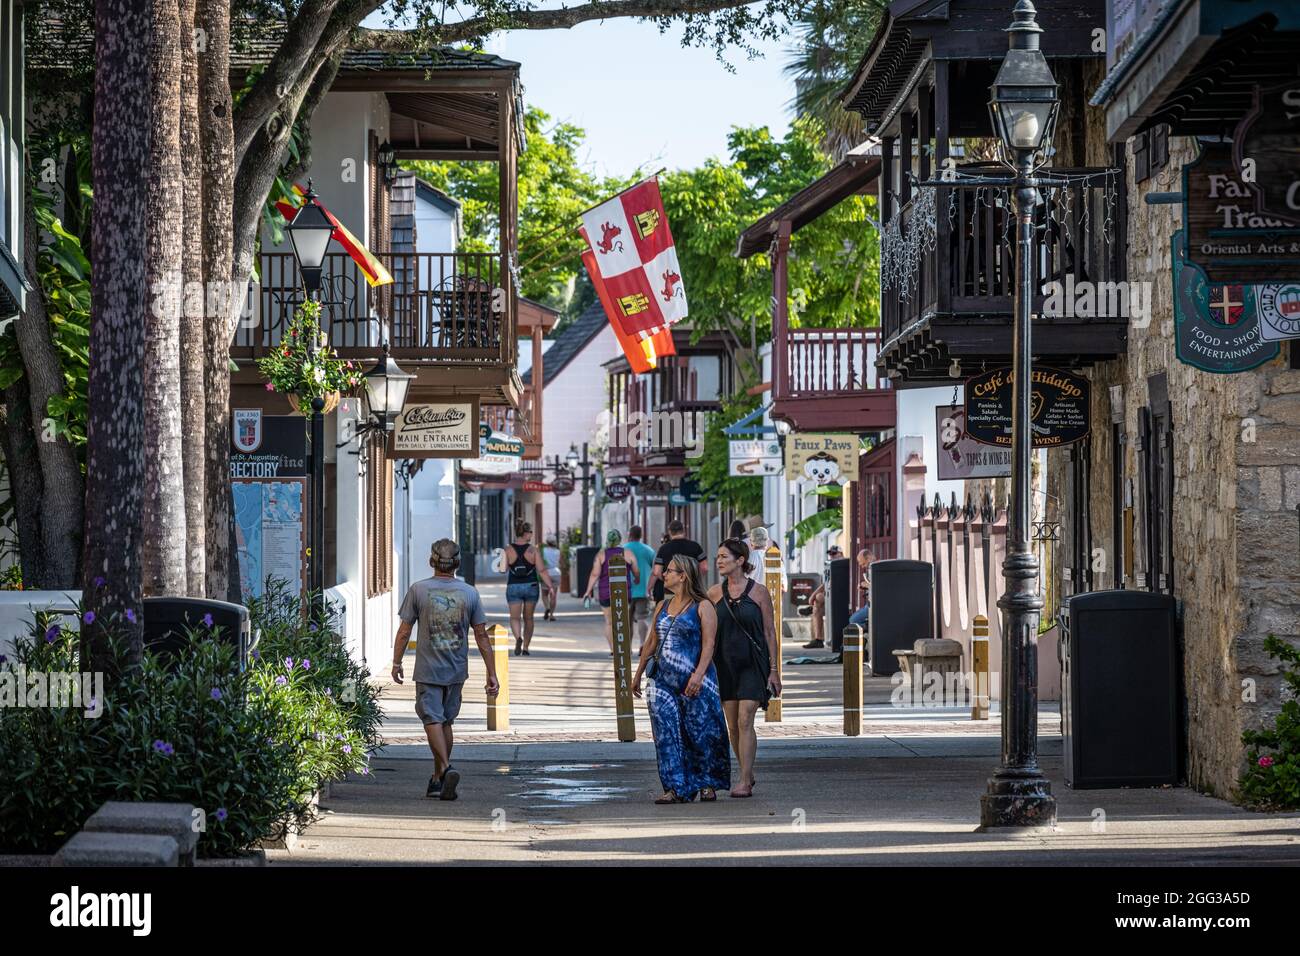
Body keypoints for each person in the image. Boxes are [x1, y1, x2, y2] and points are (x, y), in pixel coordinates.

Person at [391, 539, 498, 801]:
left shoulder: (418, 590)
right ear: (458, 564)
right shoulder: (470, 593)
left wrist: (396, 661)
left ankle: (447, 768)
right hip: (456, 670)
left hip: (428, 669)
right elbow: (482, 636)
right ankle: (438, 778)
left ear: (432, 562)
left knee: (432, 719)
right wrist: (492, 672)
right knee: (445, 721)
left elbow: (405, 631)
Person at [631, 553, 731, 803]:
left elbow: (709, 645)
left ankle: (706, 782)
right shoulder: (662, 606)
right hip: (663, 682)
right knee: (665, 733)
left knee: (700, 731)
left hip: (696, 680)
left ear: (683, 576)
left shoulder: (704, 606)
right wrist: (638, 673)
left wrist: (698, 675)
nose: (664, 574)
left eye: (670, 571)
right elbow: (651, 642)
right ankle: (675, 787)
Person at [708, 538, 781, 798]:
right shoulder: (714, 594)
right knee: (733, 725)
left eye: (724, 557)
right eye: (718, 556)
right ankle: (747, 771)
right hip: (724, 665)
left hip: (752, 663)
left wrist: (774, 670)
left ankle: (744, 781)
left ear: (740, 561)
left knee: (745, 719)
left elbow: (770, 633)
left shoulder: (759, 592)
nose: (719, 561)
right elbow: (707, 634)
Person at [582, 529, 641, 654]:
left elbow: (594, 574)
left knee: (609, 622)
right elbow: (636, 571)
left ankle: (614, 650)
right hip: (623, 592)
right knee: (623, 620)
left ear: (607, 540)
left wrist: (588, 591)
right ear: (620, 540)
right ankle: (626, 649)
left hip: (606, 592)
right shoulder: (628, 553)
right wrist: (636, 578)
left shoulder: (601, 555)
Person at [503, 521, 555, 656]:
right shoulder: (533, 550)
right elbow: (542, 570)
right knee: (529, 618)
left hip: (513, 586)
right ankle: (525, 647)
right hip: (531, 586)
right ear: (526, 534)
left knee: (514, 618)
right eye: (530, 532)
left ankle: (517, 638)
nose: (531, 535)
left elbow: (503, 569)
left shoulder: (508, 549)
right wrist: (550, 586)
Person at [648, 519, 707, 605]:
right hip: (692, 591)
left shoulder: (664, 549)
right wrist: (694, 579)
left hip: (670, 592)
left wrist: (668, 579)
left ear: (670, 532)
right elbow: (704, 568)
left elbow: (657, 572)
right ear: (683, 530)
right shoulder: (695, 546)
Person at [624, 525, 657, 655]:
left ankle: (628, 647)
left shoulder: (623, 550)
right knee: (642, 618)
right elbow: (655, 568)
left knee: (627, 620)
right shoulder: (648, 550)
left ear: (630, 535)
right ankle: (643, 644)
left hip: (626, 590)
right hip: (643, 589)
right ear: (640, 535)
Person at [803, 545, 843, 649]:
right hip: (833, 597)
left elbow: (826, 584)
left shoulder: (843, 564)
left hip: (843, 597)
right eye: (830, 554)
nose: (831, 556)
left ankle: (818, 638)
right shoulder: (830, 565)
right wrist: (813, 596)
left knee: (817, 601)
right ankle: (818, 639)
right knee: (818, 601)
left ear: (841, 554)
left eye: (834, 553)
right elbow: (826, 583)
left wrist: (812, 596)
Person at [849, 549, 874, 629]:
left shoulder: (877, 568)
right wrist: (864, 586)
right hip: (870, 604)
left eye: (863, 564)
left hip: (875, 605)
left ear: (868, 558)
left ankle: (870, 628)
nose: (862, 566)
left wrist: (867, 585)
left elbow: (879, 587)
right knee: (852, 619)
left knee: (853, 620)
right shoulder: (871, 569)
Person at [540, 538, 562, 621]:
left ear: (547, 543)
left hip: (546, 573)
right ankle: (552, 615)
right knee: (553, 596)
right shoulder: (558, 551)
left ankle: (547, 607)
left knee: (544, 594)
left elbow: (539, 562)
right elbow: (561, 563)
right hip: (556, 573)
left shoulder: (543, 551)